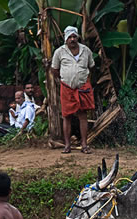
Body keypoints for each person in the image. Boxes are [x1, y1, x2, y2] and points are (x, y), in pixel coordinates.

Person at [50, 25, 95, 154]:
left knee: (82, 115)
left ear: (78, 37)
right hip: (67, 88)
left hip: (82, 88)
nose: (72, 39)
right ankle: (67, 145)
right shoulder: (59, 52)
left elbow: (91, 67)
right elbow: (54, 69)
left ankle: (84, 145)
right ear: (66, 39)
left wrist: (83, 78)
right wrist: (65, 79)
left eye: (74, 36)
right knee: (67, 116)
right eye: (70, 37)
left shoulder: (86, 50)